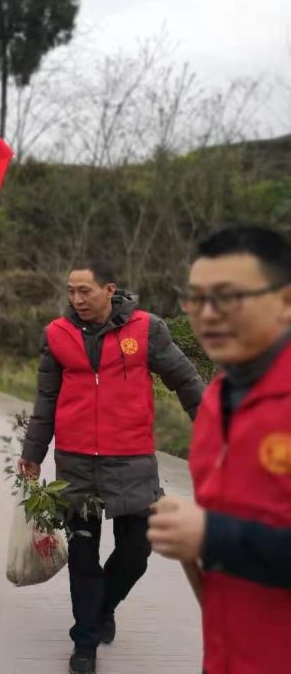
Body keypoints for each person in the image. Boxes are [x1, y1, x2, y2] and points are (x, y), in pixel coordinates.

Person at [17, 259, 204, 674]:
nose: (76, 299)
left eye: (85, 290)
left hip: (132, 460)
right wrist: (33, 452)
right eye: (71, 291)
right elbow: (46, 400)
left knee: (137, 552)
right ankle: (85, 642)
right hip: (77, 464)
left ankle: (102, 609)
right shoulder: (57, 334)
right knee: (83, 555)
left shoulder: (146, 328)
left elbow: (185, 379)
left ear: (109, 290)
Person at [147, 225, 291, 674]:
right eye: (196, 300)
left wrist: (215, 536)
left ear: (285, 300)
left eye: (227, 297)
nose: (207, 315)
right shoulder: (216, 400)